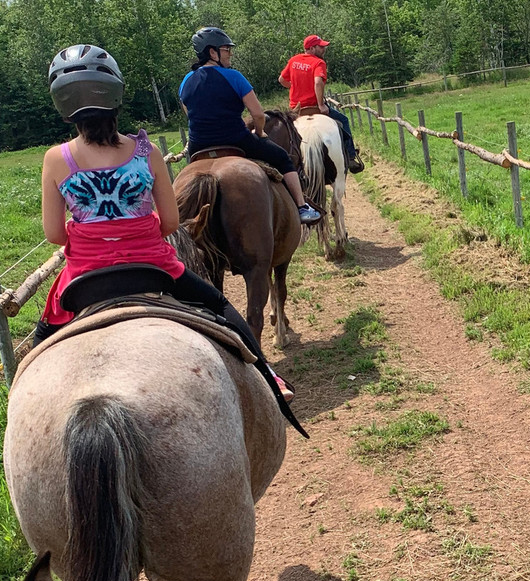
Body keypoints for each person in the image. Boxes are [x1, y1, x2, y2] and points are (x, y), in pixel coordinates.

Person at [40, 43, 297, 402]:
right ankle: (266, 375)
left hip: (84, 276)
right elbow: (170, 222)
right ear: (116, 96)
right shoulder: (146, 151)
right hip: (153, 265)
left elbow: (53, 234)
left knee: (39, 347)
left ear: (63, 105)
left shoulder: (56, 159)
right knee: (222, 310)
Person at [179, 27, 323, 223]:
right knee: (283, 158)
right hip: (236, 139)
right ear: (212, 52)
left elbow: (189, 114)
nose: (230, 53)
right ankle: (301, 207)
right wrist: (261, 132)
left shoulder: (185, 81)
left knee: (187, 180)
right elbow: (257, 113)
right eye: (226, 49)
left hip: (199, 145)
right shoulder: (234, 76)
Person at [279, 35, 365, 173]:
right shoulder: (318, 63)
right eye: (321, 46)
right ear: (312, 48)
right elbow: (318, 82)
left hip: (296, 110)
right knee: (344, 120)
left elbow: (282, 79)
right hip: (313, 106)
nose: (324, 48)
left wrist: (296, 87)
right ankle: (350, 157)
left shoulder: (293, 60)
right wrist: (321, 105)